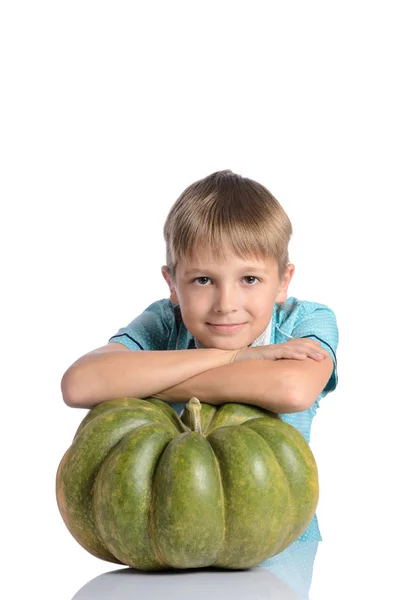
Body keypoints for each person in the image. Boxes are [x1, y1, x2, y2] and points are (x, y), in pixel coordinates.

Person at [61, 169, 339, 591]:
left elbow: (292, 390)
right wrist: (236, 355)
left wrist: (148, 382)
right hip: (161, 546)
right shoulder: (163, 321)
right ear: (173, 284)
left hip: (281, 550)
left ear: (283, 282)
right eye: (203, 280)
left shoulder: (306, 320)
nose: (226, 304)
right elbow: (80, 384)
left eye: (249, 279)